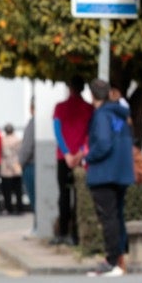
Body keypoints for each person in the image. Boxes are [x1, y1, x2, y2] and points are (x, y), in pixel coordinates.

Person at [83, 79, 135, 277]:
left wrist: (88, 157)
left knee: (108, 218)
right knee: (117, 216)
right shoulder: (120, 115)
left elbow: (104, 143)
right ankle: (119, 259)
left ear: (92, 95)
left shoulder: (102, 115)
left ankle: (112, 260)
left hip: (104, 173)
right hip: (121, 171)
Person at [52, 78, 93, 245]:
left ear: (70, 88)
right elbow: (90, 135)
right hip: (81, 159)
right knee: (79, 196)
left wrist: (67, 153)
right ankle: (76, 235)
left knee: (63, 195)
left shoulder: (60, 107)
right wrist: (80, 153)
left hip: (63, 158)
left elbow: (57, 131)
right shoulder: (90, 109)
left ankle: (63, 233)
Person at [0, 123, 24, 214]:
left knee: (7, 191)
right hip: (17, 167)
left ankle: (9, 208)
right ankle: (20, 209)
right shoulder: (18, 140)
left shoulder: (3, 140)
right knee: (18, 191)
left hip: (6, 169)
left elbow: (5, 154)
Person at [21, 100, 37, 229]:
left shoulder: (32, 124)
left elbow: (27, 147)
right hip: (36, 164)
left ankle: (38, 226)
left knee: (34, 197)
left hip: (31, 166)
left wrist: (20, 163)